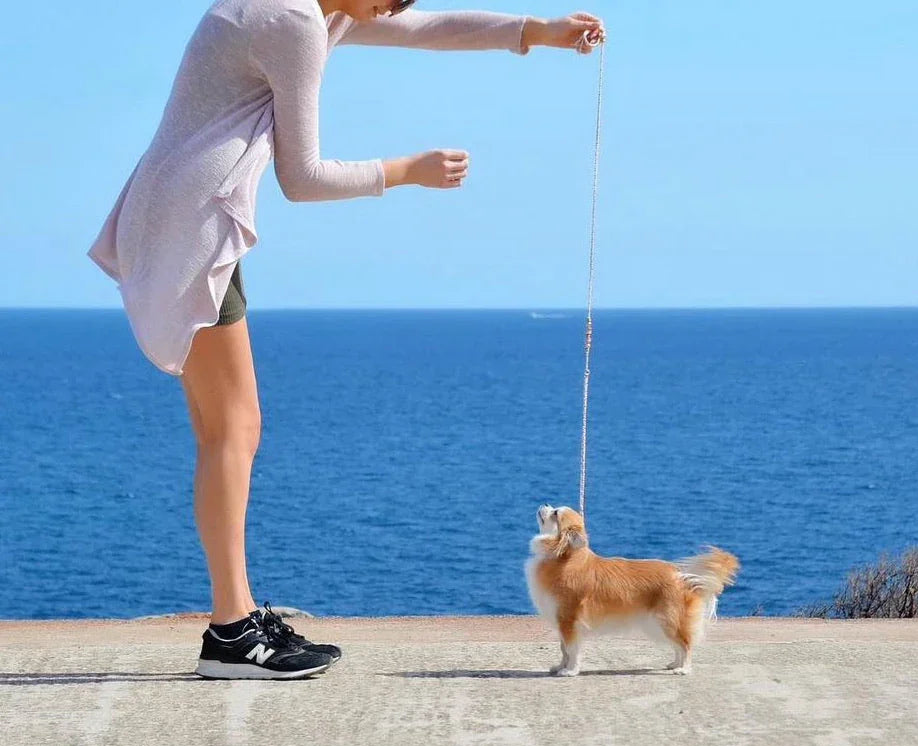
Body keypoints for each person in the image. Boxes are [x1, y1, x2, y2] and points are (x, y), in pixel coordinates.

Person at [88, 0, 605, 680]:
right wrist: (405, 170)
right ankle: (230, 631)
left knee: (227, 428)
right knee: (233, 430)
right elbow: (301, 179)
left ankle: (235, 616)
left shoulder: (307, 8)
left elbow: (427, 29)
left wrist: (536, 33)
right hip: (191, 225)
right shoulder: (293, 20)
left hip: (180, 215)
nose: (395, 7)